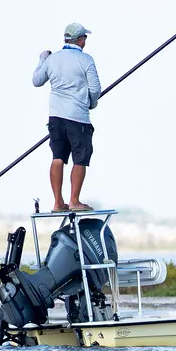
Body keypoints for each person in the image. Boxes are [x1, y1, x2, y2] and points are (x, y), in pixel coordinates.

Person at [33, 22, 102, 212]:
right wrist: (92, 103)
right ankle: (74, 201)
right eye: (85, 37)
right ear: (80, 40)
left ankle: (57, 203)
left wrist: (42, 59)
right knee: (80, 158)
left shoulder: (52, 59)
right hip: (78, 117)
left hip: (55, 117)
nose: (85, 40)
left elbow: (37, 81)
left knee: (58, 157)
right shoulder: (85, 60)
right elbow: (95, 89)